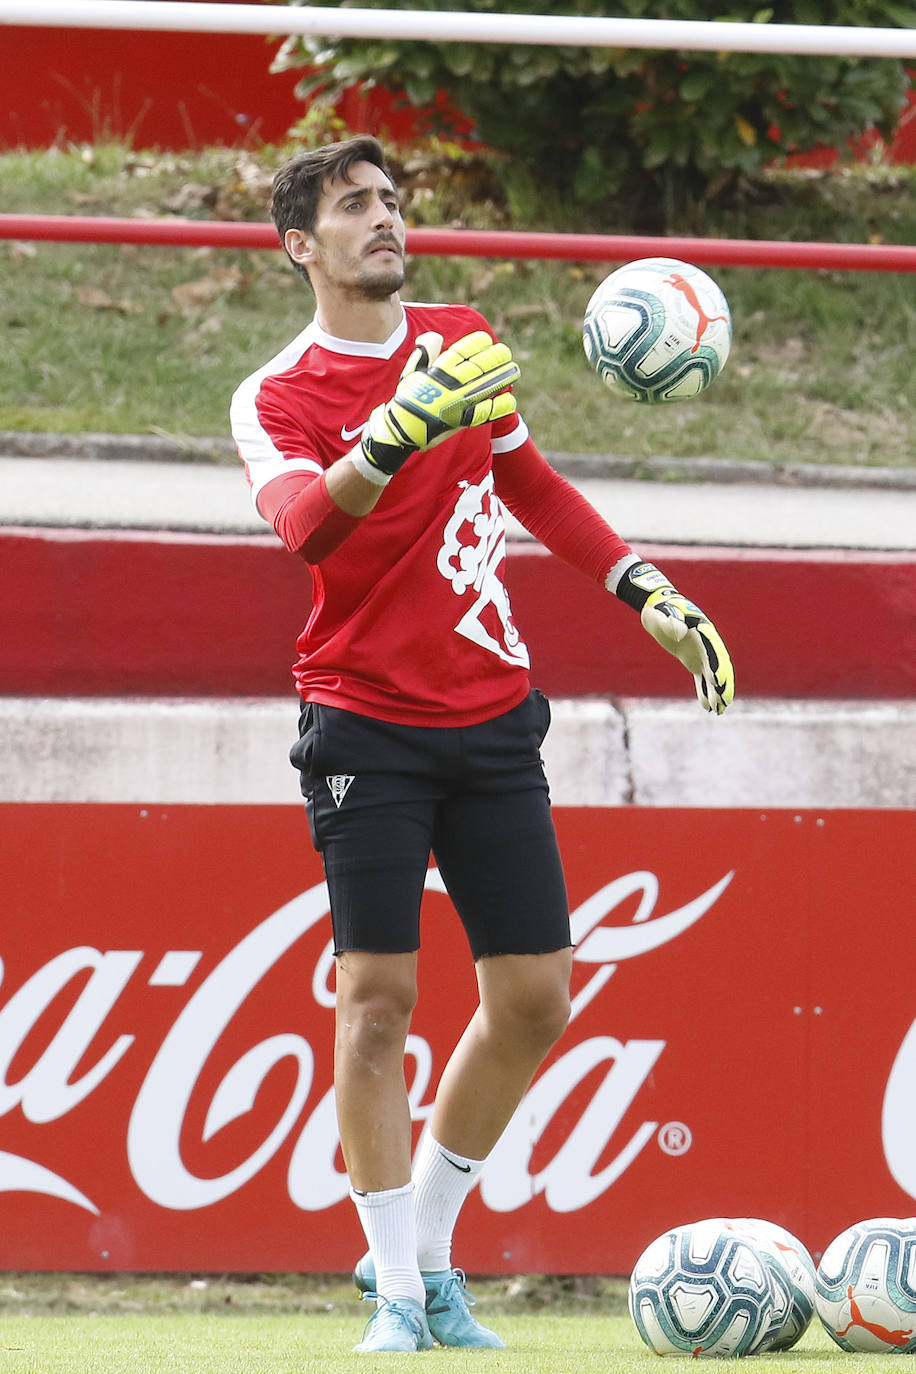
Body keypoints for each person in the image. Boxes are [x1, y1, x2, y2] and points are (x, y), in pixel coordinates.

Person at [230, 135, 734, 1354]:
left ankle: (431, 1254)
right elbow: (305, 528)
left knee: (534, 999)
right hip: (362, 721)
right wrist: (395, 433)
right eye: (353, 206)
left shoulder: (458, 336)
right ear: (302, 245)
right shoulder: (277, 392)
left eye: (392, 201)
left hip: (493, 713)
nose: (384, 219)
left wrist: (645, 588)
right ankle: (396, 1293)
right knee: (375, 1000)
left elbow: (534, 486)